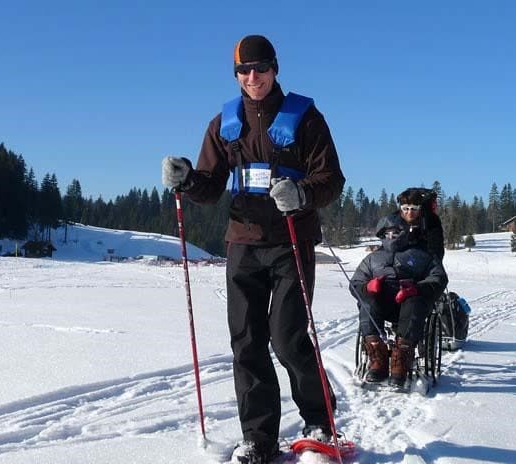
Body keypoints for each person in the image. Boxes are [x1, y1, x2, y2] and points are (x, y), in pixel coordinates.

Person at [161, 34, 345, 463]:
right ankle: (259, 437)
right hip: (242, 243)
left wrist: (301, 194)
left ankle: (320, 421)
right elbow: (209, 186)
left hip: (290, 242)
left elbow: (331, 179)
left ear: (275, 68)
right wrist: (186, 178)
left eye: (259, 68)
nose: (252, 77)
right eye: (243, 71)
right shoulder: (224, 122)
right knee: (246, 343)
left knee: (287, 339)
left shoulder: (304, 116)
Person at [350, 200, 448, 388]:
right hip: (382, 305)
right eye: (388, 233)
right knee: (367, 302)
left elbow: (439, 277)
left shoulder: (422, 254)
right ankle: (377, 356)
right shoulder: (372, 259)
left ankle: (401, 359)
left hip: (410, 305)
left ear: (405, 233)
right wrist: (367, 287)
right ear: (381, 235)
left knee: (414, 302)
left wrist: (416, 289)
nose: (392, 236)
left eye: (396, 233)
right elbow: (356, 282)